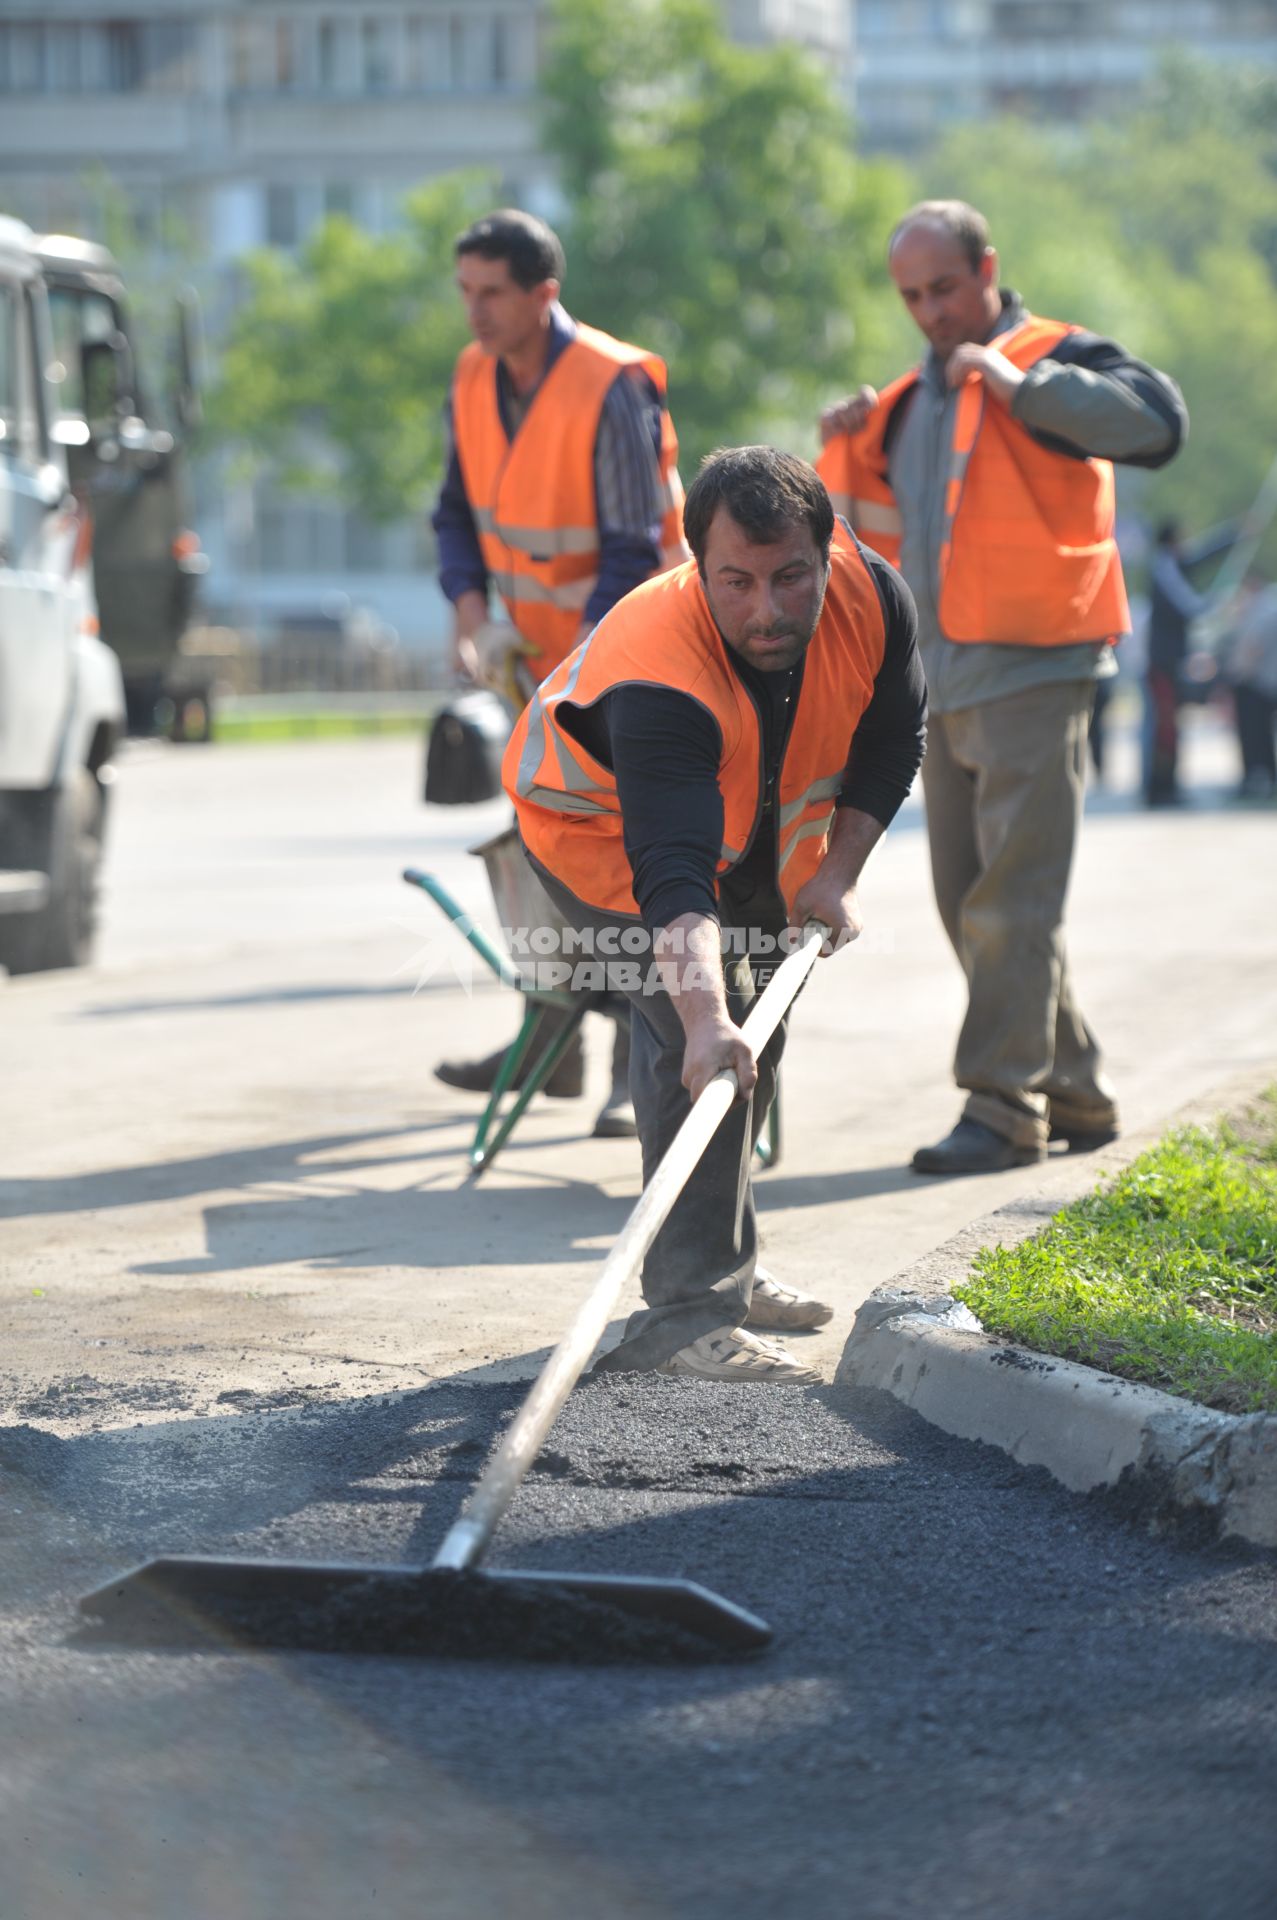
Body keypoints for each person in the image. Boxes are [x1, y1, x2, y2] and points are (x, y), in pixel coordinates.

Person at [504, 446, 926, 1382]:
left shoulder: (875, 597)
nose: (766, 610)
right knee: (694, 1041)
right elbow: (671, 872)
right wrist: (703, 1020)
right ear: (698, 565)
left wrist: (837, 874)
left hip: (754, 830)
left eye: (790, 578)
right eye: (735, 582)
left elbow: (895, 738)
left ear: (829, 551)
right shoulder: (658, 674)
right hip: (601, 834)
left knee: (751, 1044)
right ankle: (691, 1313)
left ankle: (724, 1264)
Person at [818, 199, 1187, 1175]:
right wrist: (845, 439)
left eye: (942, 287)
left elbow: (1155, 426)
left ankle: (1000, 1110)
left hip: (1037, 666)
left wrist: (1017, 385)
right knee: (965, 902)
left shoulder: (1051, 352)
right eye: (909, 295)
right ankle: (1073, 1088)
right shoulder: (906, 400)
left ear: (986, 268)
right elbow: (857, 543)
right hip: (941, 680)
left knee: (1009, 904)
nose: (929, 311)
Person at [430, 209, 688, 1138]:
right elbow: (454, 514)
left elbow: (630, 550)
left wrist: (578, 669)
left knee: (627, 861)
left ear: (544, 294)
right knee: (540, 848)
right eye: (465, 292)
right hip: (535, 666)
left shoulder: (610, 386)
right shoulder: (473, 379)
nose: (475, 313)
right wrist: (473, 614)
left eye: (491, 293)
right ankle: (548, 1045)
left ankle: (638, 1067)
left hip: (627, 659)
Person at [1226, 579, 1277, 800]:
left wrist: (1236, 672)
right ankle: (1265, 776)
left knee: (1254, 735)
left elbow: (1252, 647)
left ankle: (1258, 777)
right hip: (1263, 681)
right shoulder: (1265, 605)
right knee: (1260, 734)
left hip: (1258, 682)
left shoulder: (1264, 608)